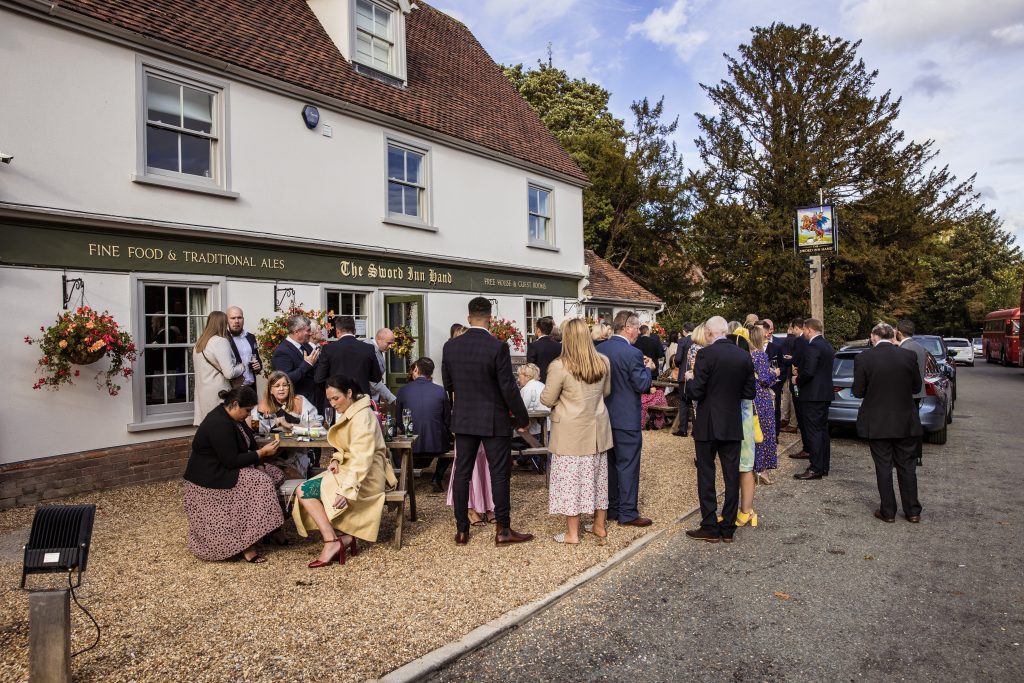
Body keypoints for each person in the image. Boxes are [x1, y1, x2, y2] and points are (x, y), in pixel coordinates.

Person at [442, 296, 532, 546]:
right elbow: (508, 387)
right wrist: (522, 417)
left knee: (462, 473)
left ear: (469, 318)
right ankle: (503, 529)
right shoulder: (497, 347)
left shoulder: (451, 347)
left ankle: (462, 530)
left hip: (464, 417)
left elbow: (448, 385)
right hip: (493, 418)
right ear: (490, 320)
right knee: (499, 473)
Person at [293, 375, 398, 567]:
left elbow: (362, 457)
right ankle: (342, 538)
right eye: (330, 399)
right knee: (305, 489)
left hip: (367, 476)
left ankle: (332, 542)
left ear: (349, 393)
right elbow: (348, 448)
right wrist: (336, 459)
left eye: (336, 398)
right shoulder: (353, 411)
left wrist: (347, 488)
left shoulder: (362, 416)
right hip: (352, 469)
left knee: (304, 490)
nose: (333, 403)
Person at [183, 386, 284, 563]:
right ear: (235, 404)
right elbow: (230, 460)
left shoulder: (235, 419)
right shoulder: (218, 423)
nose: (248, 414)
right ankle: (247, 543)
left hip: (230, 468)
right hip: (212, 475)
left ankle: (268, 529)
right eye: (247, 410)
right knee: (261, 482)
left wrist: (259, 464)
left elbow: (251, 444)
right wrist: (261, 455)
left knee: (274, 474)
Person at [540, 318, 613, 544]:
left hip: (571, 432)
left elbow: (547, 399)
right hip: (597, 429)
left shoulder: (559, 366)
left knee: (571, 482)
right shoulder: (603, 361)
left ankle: (573, 533)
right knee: (599, 479)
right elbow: (607, 392)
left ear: (567, 338)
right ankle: (599, 526)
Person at [684, 316, 756, 543]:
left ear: (708, 332)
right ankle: (728, 527)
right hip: (732, 422)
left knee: (706, 473)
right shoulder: (743, 355)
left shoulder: (706, 354)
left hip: (707, 422)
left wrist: (691, 380)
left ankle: (709, 525)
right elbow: (749, 392)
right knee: (731, 475)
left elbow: (696, 391)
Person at [853, 322, 924, 523]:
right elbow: (916, 386)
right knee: (907, 466)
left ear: (873, 336)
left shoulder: (864, 358)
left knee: (883, 466)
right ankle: (913, 511)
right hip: (905, 419)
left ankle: (888, 511)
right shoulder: (908, 356)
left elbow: (858, 391)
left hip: (877, 420)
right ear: (893, 335)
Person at [602, 311, 656, 527]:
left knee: (610, 465)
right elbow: (642, 385)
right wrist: (648, 369)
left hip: (604, 416)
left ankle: (612, 509)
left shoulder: (600, 349)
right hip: (626, 417)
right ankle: (628, 513)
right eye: (636, 328)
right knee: (628, 465)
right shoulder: (632, 353)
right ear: (627, 327)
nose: (637, 333)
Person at [394, 357, 452, 492]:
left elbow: (399, 421)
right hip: (437, 444)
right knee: (452, 444)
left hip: (411, 444)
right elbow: (447, 420)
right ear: (430, 373)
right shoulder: (440, 391)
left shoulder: (403, 391)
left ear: (416, 369)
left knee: (394, 447)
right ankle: (437, 477)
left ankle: (405, 479)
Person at [793, 318, 835, 480]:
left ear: (809, 330)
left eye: (804, 330)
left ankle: (815, 467)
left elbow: (809, 371)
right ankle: (823, 465)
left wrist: (799, 379)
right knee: (822, 430)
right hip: (824, 394)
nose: (803, 333)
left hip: (812, 395)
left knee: (814, 432)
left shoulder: (813, 346)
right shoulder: (826, 345)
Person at [257, 371, 317, 478]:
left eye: (285, 385)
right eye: (277, 386)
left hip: (296, 452)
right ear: (271, 389)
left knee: (290, 473)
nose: (281, 389)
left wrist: (291, 426)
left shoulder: (299, 401)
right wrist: (275, 422)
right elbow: (254, 427)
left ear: (289, 387)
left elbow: (315, 424)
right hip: (271, 454)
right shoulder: (263, 405)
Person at [192, 311, 246, 426]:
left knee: (208, 426)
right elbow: (229, 373)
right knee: (221, 426)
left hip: (202, 391)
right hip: (219, 392)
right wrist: (242, 367)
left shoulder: (200, 342)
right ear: (223, 323)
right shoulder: (220, 341)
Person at [314, 315, 381, 396]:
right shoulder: (368, 348)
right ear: (354, 331)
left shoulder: (328, 349)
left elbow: (319, 379)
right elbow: (376, 377)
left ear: (337, 331)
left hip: (337, 397)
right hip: (361, 398)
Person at [750, 325, 779, 489]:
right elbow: (765, 380)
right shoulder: (760, 355)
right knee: (765, 432)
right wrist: (775, 374)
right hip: (761, 397)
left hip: (752, 397)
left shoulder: (748, 354)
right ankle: (762, 470)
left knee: (754, 431)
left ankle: (754, 466)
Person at [895, 319, 928, 467]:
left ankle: (908, 455)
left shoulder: (905, 349)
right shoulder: (919, 347)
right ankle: (917, 455)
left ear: (899, 332)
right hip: (917, 391)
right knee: (915, 423)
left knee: (905, 426)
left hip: (906, 392)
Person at [270, 313, 320, 408]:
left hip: (313, 399)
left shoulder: (306, 345)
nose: (311, 333)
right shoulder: (282, 352)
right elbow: (285, 380)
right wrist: (306, 364)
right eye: (308, 330)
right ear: (297, 331)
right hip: (297, 404)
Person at [514, 363, 549, 472]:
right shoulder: (542, 385)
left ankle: (521, 459)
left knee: (517, 431)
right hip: (548, 425)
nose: (518, 380)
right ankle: (531, 460)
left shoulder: (527, 389)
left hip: (536, 428)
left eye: (519, 376)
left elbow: (521, 410)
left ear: (527, 376)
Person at [226, 306, 262, 388]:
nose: (236, 321)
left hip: (251, 387)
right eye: (233, 318)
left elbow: (257, 358)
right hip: (234, 388)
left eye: (239, 317)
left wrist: (258, 366)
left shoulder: (251, 337)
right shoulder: (224, 339)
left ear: (243, 319)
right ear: (227, 320)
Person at [672, 323, 696, 437]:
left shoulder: (682, 341)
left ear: (684, 331)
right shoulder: (698, 339)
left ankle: (683, 429)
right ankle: (696, 430)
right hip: (696, 374)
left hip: (684, 374)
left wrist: (677, 363)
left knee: (683, 402)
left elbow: (678, 358)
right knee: (695, 402)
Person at [366, 328, 398, 405]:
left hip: (373, 398)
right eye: (388, 343)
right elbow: (374, 381)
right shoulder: (369, 349)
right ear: (379, 339)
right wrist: (392, 399)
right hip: (367, 399)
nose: (390, 346)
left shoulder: (377, 349)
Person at [526, 316, 562, 382]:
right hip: (556, 381)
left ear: (538, 330)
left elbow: (530, 368)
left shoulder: (533, 346)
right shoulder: (559, 346)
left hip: (539, 382)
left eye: (535, 328)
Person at [639, 356, 669, 429]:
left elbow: (654, 367)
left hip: (645, 395)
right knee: (660, 393)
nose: (645, 361)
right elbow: (640, 385)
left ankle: (655, 417)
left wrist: (650, 360)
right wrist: (649, 390)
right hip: (641, 396)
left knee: (659, 392)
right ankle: (658, 418)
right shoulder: (639, 369)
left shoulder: (646, 368)